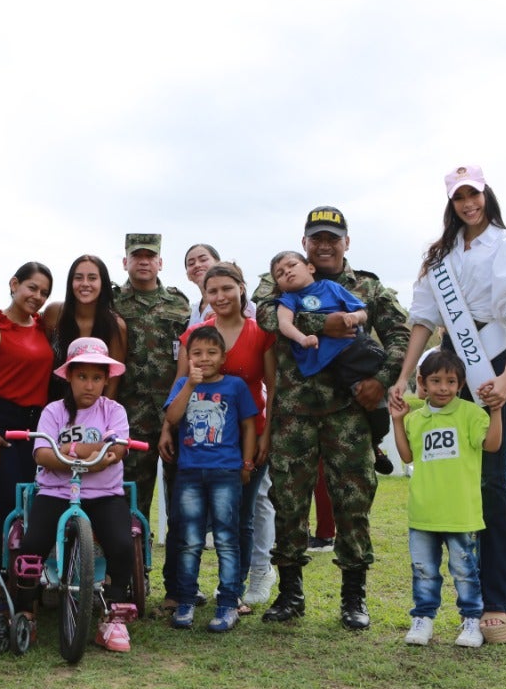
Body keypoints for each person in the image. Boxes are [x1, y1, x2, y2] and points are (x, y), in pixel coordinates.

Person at [389, 164, 506, 644]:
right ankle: (460, 608)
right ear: (450, 203)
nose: (468, 204)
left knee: (492, 477)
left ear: (487, 195)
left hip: (495, 358)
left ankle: (503, 600)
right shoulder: (438, 256)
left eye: (474, 195)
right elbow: (422, 318)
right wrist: (403, 375)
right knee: (455, 473)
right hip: (453, 365)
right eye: (459, 198)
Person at [254, 206, 410, 630]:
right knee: (287, 502)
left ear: (346, 242)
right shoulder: (280, 276)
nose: (324, 245)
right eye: (316, 238)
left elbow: (402, 333)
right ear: (305, 244)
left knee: (353, 502)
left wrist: (382, 379)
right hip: (294, 414)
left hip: (350, 413)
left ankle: (353, 598)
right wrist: (328, 322)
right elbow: (267, 315)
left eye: (332, 238)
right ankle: (290, 594)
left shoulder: (368, 287)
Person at [161, 263, 277, 613]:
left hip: (245, 440)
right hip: (197, 444)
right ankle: (182, 591)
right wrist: (167, 428)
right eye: (213, 291)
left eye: (227, 288)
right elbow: (180, 383)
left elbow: (273, 388)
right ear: (205, 296)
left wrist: (265, 436)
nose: (221, 296)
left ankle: (234, 591)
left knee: (239, 519)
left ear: (242, 288)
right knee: (186, 521)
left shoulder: (261, 334)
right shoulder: (195, 335)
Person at [17, 337, 137, 653]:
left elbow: (116, 452)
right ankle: (25, 613)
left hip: (103, 493)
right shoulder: (54, 412)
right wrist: (91, 452)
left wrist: (67, 453)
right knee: (31, 545)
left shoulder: (114, 411)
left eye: (97, 378)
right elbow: (41, 455)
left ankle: (113, 616)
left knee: (123, 544)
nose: (89, 385)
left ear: (106, 379)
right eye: (82, 376)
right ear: (68, 377)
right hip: (56, 492)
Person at [389, 350, 503, 648]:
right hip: (423, 512)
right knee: (424, 571)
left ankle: (471, 621)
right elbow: (406, 455)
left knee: (465, 571)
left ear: (460, 385)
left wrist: (497, 411)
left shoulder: (471, 414)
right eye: (436, 380)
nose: (443, 388)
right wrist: (398, 421)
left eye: (450, 381)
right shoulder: (416, 419)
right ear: (422, 383)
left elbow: (492, 445)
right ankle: (423, 619)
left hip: (460, 512)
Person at [163, 326, 258, 633]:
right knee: (189, 540)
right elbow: (173, 419)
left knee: (227, 539)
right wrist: (190, 385)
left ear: (223, 356)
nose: (204, 359)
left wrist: (246, 463)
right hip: (189, 473)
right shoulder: (182, 383)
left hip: (226, 472)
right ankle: (187, 599)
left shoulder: (236, 386)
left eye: (211, 352)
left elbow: (248, 426)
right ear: (188, 357)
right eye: (197, 353)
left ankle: (228, 602)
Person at [113, 233, 191, 596]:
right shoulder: (113, 303)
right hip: (129, 415)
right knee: (132, 501)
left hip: (175, 415)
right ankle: (133, 578)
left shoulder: (179, 303)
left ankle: (178, 583)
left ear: (161, 263)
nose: (143, 262)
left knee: (181, 502)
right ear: (125, 261)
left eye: (150, 256)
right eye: (136, 256)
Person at [271, 250, 393, 475]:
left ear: (310, 267)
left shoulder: (330, 287)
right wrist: (303, 337)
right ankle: (376, 447)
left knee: (380, 408)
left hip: (358, 349)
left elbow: (362, 312)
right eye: (280, 273)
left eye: (292, 265)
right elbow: (283, 324)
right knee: (364, 398)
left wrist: (353, 318)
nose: (287, 272)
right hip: (333, 365)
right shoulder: (288, 299)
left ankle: (375, 444)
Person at [0, 262, 54, 565]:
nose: (37, 296)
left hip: (34, 424)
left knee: (33, 499)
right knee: (10, 500)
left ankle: (28, 570)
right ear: (14, 283)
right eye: (32, 287)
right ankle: (0, 575)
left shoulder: (43, 325)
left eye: (44, 292)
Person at [43, 254, 127, 401]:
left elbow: (112, 383)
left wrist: (103, 418)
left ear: (103, 283)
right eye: (79, 278)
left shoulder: (115, 325)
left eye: (92, 278)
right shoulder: (54, 313)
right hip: (51, 408)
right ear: (71, 282)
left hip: (92, 413)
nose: (85, 283)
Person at [183, 243, 256, 327]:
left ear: (218, 263)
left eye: (203, 260)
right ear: (188, 275)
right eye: (191, 263)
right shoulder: (193, 310)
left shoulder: (239, 302)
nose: (197, 265)